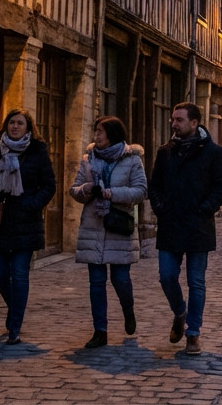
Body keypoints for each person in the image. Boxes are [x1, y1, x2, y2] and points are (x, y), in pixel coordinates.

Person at [0, 108, 57, 345]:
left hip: (26, 220)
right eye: (11, 123)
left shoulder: (37, 150)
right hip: (0, 219)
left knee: (19, 273)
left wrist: (31, 204)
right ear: (6, 125)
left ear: (28, 127)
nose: (15, 127)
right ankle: (15, 308)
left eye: (20, 123)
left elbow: (49, 186)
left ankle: (15, 326)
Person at [148, 102, 222, 356]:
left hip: (198, 226)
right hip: (171, 225)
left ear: (194, 123)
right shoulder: (165, 152)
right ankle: (180, 312)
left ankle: (193, 333)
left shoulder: (213, 153)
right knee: (167, 276)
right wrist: (161, 207)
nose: (174, 123)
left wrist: (205, 208)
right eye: (173, 119)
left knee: (196, 282)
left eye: (179, 120)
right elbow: (155, 186)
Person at [69, 116, 148, 348]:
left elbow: (141, 191)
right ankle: (100, 331)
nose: (96, 135)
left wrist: (113, 193)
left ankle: (128, 311)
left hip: (118, 226)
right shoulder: (88, 159)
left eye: (101, 131)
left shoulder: (132, 160)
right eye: (95, 130)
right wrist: (86, 189)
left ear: (112, 133)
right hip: (93, 226)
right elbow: (74, 190)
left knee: (120, 279)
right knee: (96, 281)